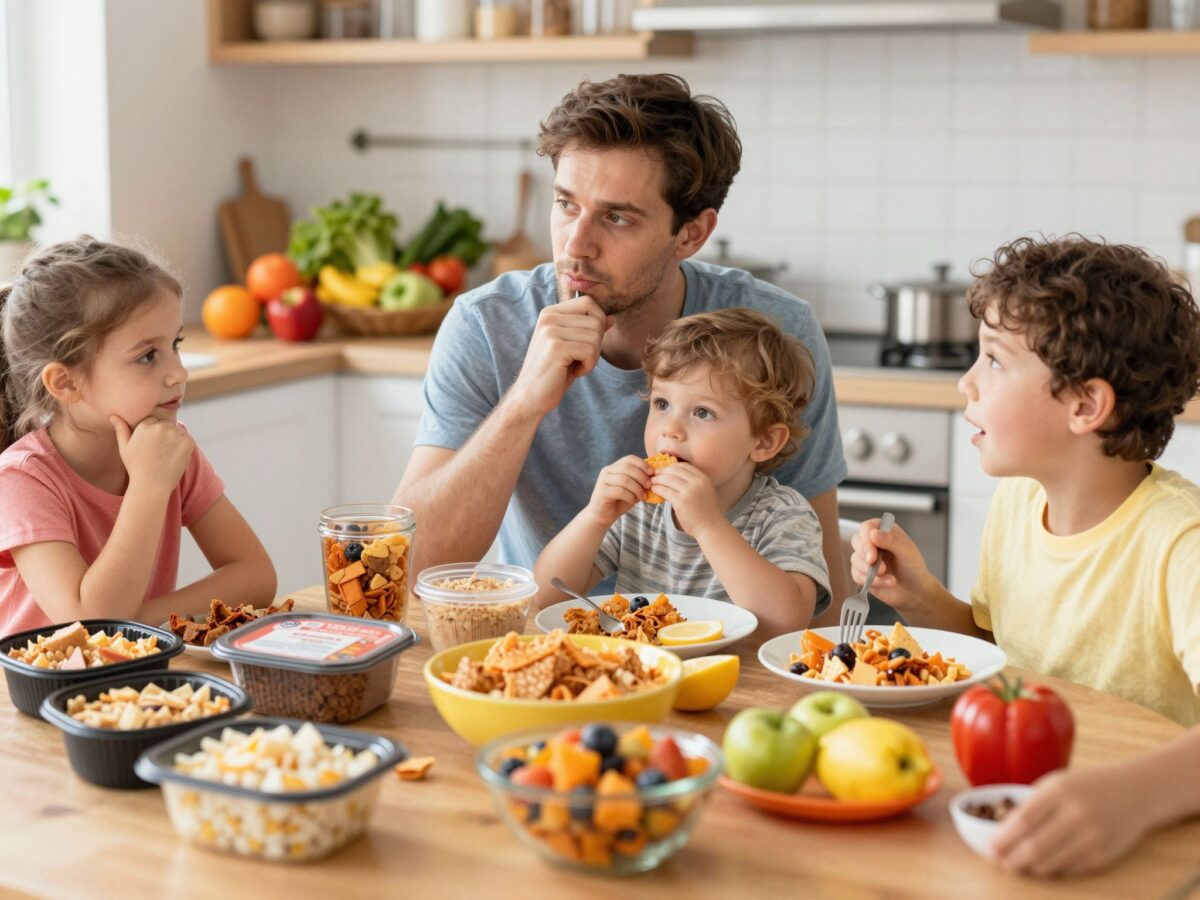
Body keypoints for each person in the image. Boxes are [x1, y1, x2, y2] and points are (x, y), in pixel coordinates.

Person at [394, 74, 850, 613]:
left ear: (691, 234)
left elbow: (820, 605)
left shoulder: (775, 333)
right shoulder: (487, 325)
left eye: (616, 218)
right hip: (549, 638)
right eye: (566, 205)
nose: (576, 246)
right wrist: (524, 403)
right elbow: (407, 573)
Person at [849, 234, 1200, 876]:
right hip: (1026, 814)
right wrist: (921, 597)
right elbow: (998, 647)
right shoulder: (1018, 500)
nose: (965, 382)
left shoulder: (1181, 541)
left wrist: (1129, 799)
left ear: (1085, 405)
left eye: (993, 360)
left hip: (1144, 836)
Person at [0, 237, 277, 637]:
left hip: (136, 670)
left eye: (175, 345)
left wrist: (136, 620)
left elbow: (256, 575)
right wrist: (149, 487)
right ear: (65, 382)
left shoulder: (168, 449)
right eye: (147, 356)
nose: (178, 373)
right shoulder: (22, 480)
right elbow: (88, 623)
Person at [533, 308, 831, 636]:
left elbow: (785, 622)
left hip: (733, 668)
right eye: (662, 404)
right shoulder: (638, 509)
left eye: (702, 412)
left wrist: (708, 526)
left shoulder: (783, 515)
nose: (671, 429)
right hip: (640, 664)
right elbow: (545, 595)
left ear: (764, 441)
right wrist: (594, 517)